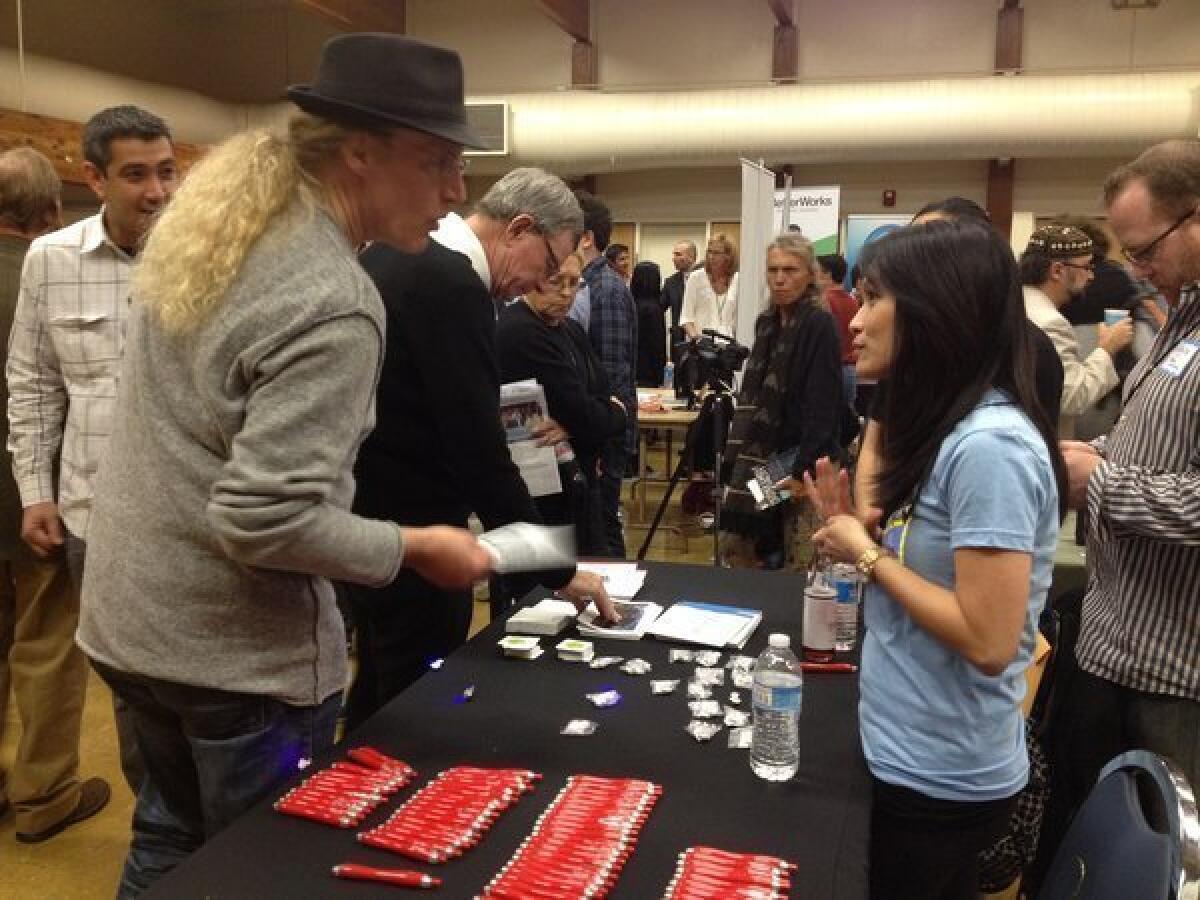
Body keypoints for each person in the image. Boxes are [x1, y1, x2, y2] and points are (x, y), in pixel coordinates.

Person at [74, 34, 494, 896]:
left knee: (167, 840)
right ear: (361, 152)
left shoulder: (218, 227)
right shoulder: (333, 301)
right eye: (440, 161)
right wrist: (416, 546)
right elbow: (264, 519)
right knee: (265, 872)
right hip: (230, 657)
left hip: (130, 621)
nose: (456, 194)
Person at [806, 219, 1063, 899]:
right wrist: (857, 533)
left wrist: (867, 557)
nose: (854, 323)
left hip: (940, 779)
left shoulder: (989, 447)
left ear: (932, 312)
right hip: (905, 751)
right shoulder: (950, 429)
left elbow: (987, 637)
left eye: (872, 301)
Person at [347, 168, 615, 729]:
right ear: (519, 228)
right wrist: (557, 568)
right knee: (410, 716)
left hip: (365, 527)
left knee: (372, 699)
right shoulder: (453, 284)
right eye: (547, 266)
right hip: (419, 539)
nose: (538, 283)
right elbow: (479, 451)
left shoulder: (395, 254)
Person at [1033, 139, 1200, 887]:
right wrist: (1097, 452)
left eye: (1144, 249)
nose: (1134, 268)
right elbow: (1154, 440)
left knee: (1146, 869)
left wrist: (1099, 483)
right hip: (1111, 645)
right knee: (1080, 854)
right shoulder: (1180, 315)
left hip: (1174, 677)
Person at [6, 105, 178, 796]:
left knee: (192, 681)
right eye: (135, 175)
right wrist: (35, 491)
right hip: (91, 510)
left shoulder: (209, 257)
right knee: (128, 685)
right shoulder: (51, 261)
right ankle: (157, 821)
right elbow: (34, 383)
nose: (156, 192)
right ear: (94, 178)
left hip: (187, 512)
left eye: (166, 172)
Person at [0, 148, 110, 844]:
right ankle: (41, 797)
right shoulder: (50, 280)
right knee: (45, 646)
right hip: (33, 499)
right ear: (49, 213)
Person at [719, 233, 843, 570]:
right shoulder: (767, 323)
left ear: (810, 274)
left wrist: (804, 471)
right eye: (773, 270)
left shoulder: (819, 324)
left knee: (794, 557)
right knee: (745, 546)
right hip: (765, 456)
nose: (780, 278)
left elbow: (824, 405)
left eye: (790, 269)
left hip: (801, 457)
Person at [495, 251, 627, 554]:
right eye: (556, 283)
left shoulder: (571, 329)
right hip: (538, 496)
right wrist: (603, 414)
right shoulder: (520, 331)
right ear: (532, 280)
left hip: (577, 485)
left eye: (574, 283)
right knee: (544, 592)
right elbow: (589, 415)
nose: (567, 294)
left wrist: (587, 420)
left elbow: (600, 398)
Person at [1019, 223, 1132, 437]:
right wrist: (1107, 349)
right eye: (1086, 267)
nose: (1091, 276)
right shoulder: (1050, 323)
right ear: (1058, 271)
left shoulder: (1016, 304)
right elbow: (1071, 398)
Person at [576, 190, 636, 557]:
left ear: (585, 238)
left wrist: (601, 435)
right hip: (595, 427)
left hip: (606, 432)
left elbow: (612, 371)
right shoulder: (585, 284)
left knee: (604, 527)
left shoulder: (606, 289)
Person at [816, 252, 860, 408]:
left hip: (830, 371)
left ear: (827, 274)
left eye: (817, 272)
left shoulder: (822, 302)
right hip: (851, 372)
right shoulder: (854, 302)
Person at [680, 233, 739, 340]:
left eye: (716, 253)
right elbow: (686, 318)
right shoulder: (696, 277)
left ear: (728, 256)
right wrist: (696, 340)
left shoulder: (738, 280)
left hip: (728, 348)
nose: (711, 257)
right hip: (701, 347)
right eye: (709, 252)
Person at [632, 260, 666, 386]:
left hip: (631, 368)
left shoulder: (630, 304)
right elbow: (657, 345)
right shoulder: (654, 308)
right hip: (649, 372)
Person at [661, 239, 696, 363]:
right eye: (674, 254)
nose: (673, 258)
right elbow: (659, 308)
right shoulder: (670, 282)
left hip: (701, 339)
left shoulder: (705, 279)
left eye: (678, 254)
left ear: (691, 257)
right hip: (679, 342)